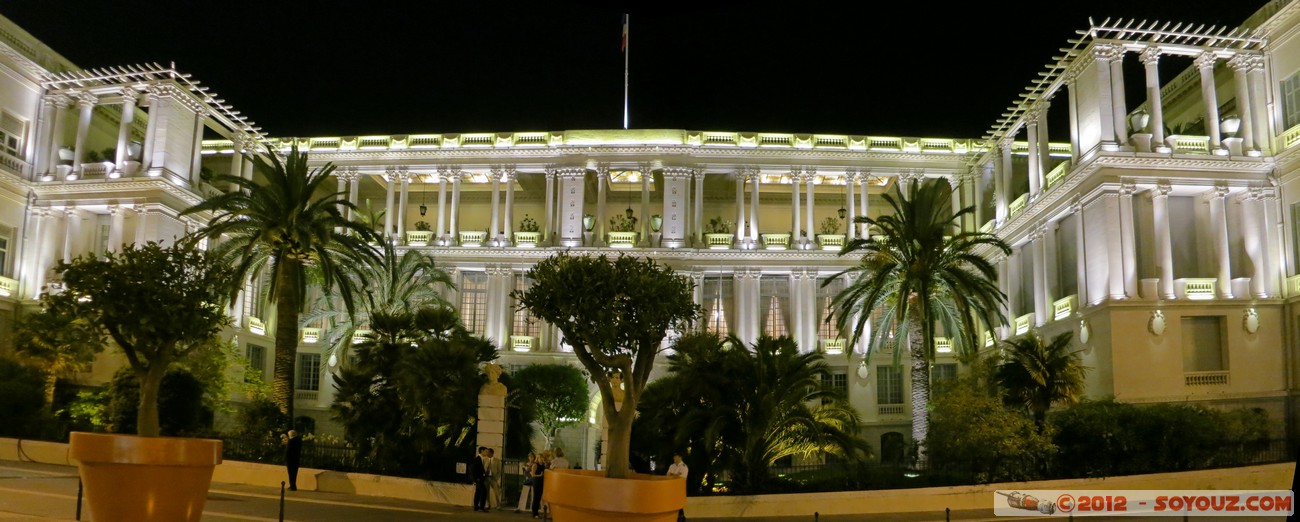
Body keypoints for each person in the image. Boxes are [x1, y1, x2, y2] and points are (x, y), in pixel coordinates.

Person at [667, 454, 688, 521]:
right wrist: (676, 475)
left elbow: (682, 477)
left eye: (676, 457)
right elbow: (667, 475)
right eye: (674, 458)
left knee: (678, 503)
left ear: (680, 457)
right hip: (671, 487)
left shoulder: (684, 467)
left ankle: (681, 516)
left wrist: (673, 475)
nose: (675, 459)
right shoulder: (672, 466)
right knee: (673, 503)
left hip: (679, 488)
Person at [531, 451, 550, 519]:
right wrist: (540, 475)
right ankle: (534, 513)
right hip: (536, 482)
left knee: (539, 497)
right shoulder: (535, 465)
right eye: (540, 458)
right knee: (536, 497)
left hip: (541, 482)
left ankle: (537, 513)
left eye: (542, 458)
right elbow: (533, 474)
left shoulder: (543, 465)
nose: (542, 459)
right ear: (538, 458)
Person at [471, 446, 490, 512]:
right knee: (484, 492)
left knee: (478, 492)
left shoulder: (481, 459)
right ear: (482, 451)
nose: (486, 453)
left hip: (480, 479)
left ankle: (476, 506)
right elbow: (474, 470)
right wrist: (476, 478)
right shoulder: (477, 459)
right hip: (479, 479)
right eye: (485, 451)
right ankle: (482, 507)